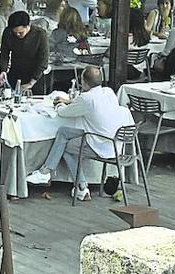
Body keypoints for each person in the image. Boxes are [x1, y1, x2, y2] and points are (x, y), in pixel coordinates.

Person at [25, 66, 132, 201]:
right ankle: (46, 171)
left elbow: (64, 113)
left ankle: (80, 185)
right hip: (115, 142)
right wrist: (69, 101)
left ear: (84, 82)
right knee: (63, 132)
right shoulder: (108, 92)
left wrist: (59, 104)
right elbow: (89, 105)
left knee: (65, 147)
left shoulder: (87, 99)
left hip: (100, 143)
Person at [0, 10, 48, 93]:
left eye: (21, 32)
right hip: (15, 73)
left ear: (28, 26)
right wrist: (3, 70)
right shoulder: (8, 32)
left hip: (35, 76)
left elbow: (43, 61)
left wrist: (31, 83)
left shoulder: (40, 34)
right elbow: (4, 54)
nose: (18, 35)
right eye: (15, 32)